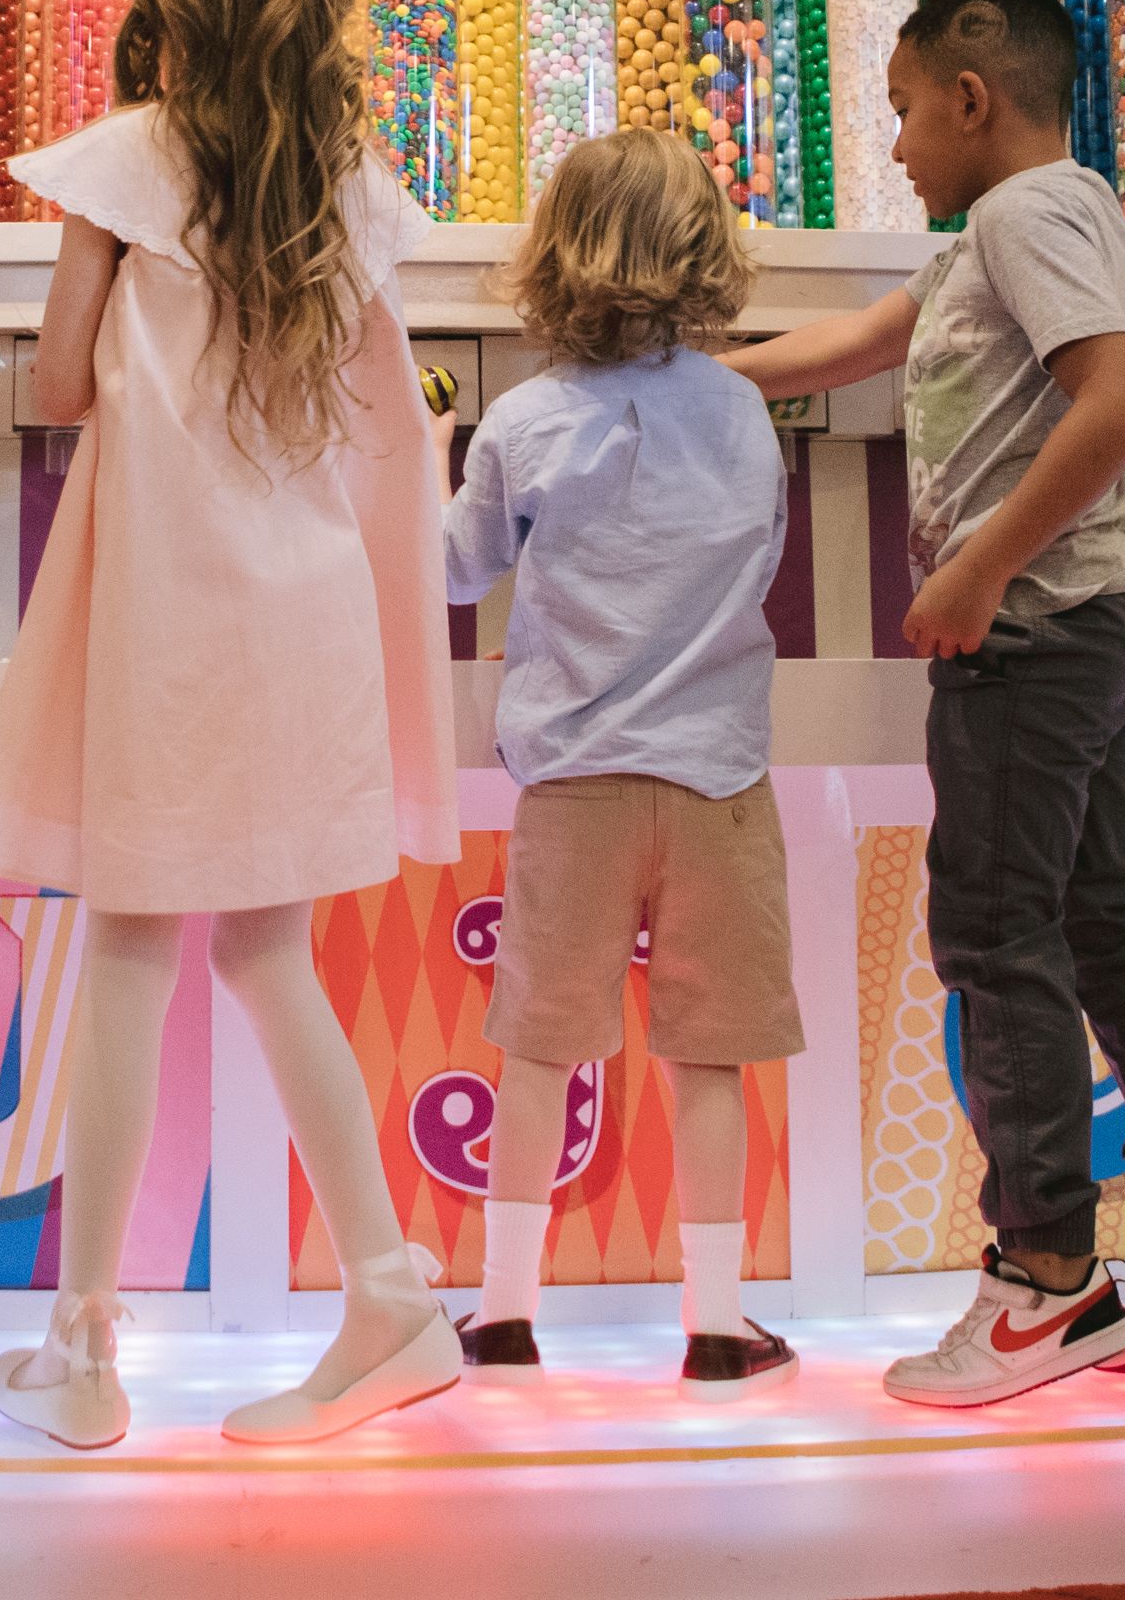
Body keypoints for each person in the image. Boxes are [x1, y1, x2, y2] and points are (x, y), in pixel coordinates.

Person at [0, 0, 463, 1450]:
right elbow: (388, 428)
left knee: (125, 946)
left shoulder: (124, 167)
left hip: (172, 612)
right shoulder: (353, 188)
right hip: (306, 611)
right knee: (263, 954)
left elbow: (54, 387)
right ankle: (384, 1294)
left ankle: (85, 1344)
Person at [728, 0, 1125, 1405]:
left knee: (994, 934)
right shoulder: (1018, 227)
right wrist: (708, 373)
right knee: (1104, 919)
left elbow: (1120, 401)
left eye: (904, 110)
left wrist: (976, 571)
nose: (895, 143)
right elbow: (860, 340)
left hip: (1034, 631)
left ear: (972, 99)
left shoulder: (1025, 216)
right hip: (1107, 619)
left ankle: (1044, 1280)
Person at [442, 127, 800, 1398]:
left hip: (575, 781)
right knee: (708, 1057)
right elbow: (756, 558)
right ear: (707, 253)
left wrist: (414, 461)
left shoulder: (524, 420)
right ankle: (718, 1324)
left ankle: (503, 1315)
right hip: (719, 779)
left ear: (556, 254)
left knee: (541, 1050)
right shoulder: (743, 411)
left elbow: (456, 570)